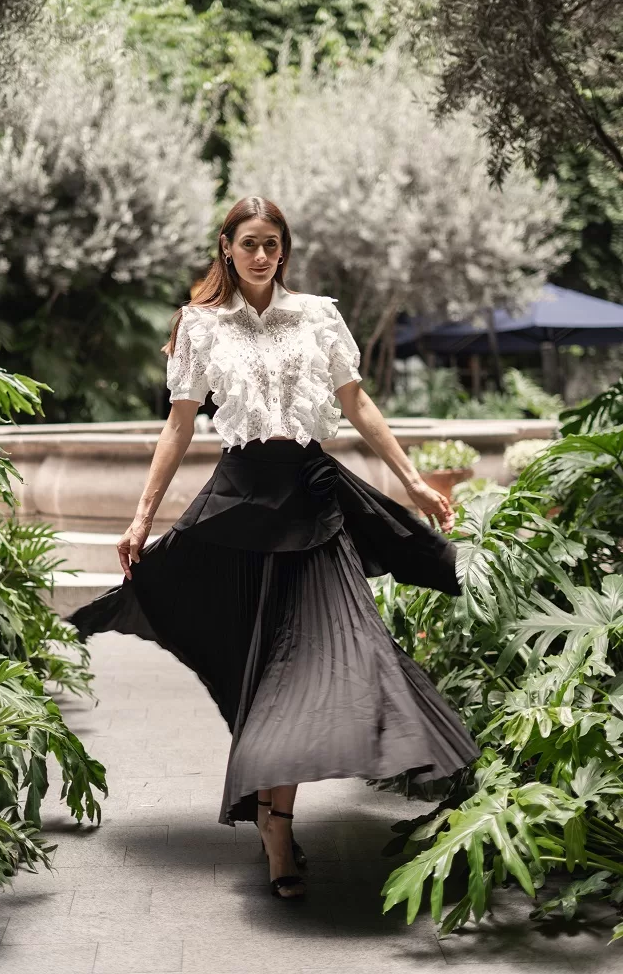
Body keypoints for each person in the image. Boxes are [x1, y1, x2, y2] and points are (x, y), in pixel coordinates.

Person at [68, 195, 481, 901]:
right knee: (272, 672)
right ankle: (275, 826)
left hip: (314, 500)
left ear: (283, 250)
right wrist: (141, 519)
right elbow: (178, 426)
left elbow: (357, 405)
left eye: (272, 244)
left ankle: (279, 815)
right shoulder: (199, 325)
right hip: (241, 509)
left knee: (345, 653)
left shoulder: (318, 314)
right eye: (249, 243)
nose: (262, 255)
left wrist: (412, 479)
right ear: (226, 247)